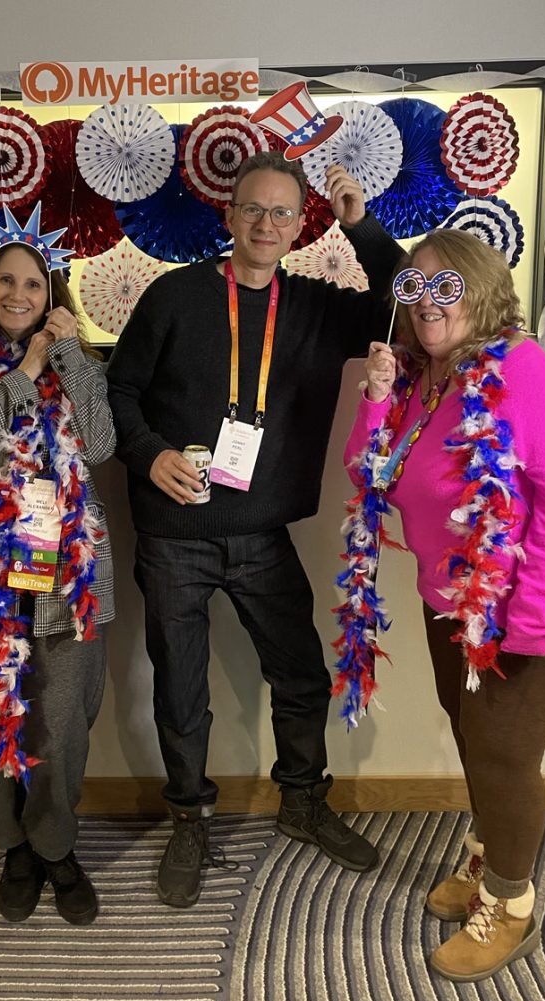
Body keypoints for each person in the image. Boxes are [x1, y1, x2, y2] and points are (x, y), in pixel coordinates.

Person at [107, 150, 403, 908]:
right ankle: (189, 819)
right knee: (180, 687)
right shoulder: (175, 295)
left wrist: (361, 227)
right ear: (229, 215)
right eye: (253, 209)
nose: (266, 224)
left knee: (301, 676)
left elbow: (404, 304)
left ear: (300, 224)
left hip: (261, 532)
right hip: (174, 531)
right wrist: (149, 454)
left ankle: (302, 802)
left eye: (281, 213)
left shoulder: (315, 306)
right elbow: (120, 389)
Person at [341, 228, 545, 981]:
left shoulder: (521, 375)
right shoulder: (424, 378)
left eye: (445, 287)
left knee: (502, 756)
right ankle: (491, 855)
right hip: (449, 604)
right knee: (472, 738)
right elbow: (371, 474)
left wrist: (532, 624)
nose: (427, 302)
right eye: (413, 287)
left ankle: (511, 906)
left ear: (482, 292)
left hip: (526, 612)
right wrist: (376, 401)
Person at [0, 204, 115, 926]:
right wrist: (24, 371)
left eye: (33, 284)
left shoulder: (78, 362)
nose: (18, 294)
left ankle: (56, 848)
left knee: (62, 728)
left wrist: (64, 360)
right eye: (5, 281)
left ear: (51, 294)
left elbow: (100, 444)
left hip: (66, 577)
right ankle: (14, 848)